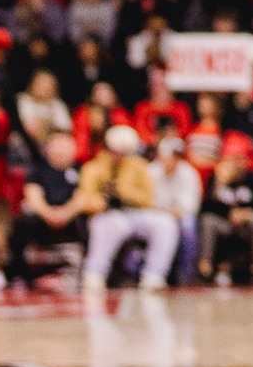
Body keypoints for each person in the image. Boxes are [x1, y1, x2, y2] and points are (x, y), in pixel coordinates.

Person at [76, 125, 179, 292]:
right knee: (113, 224)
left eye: (125, 152)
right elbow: (86, 198)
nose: (121, 156)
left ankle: (154, 276)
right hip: (107, 215)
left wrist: (125, 193)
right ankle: (95, 273)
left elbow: (148, 198)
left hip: (135, 212)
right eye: (117, 151)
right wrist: (101, 202)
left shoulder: (139, 166)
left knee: (165, 223)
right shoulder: (93, 167)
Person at [10, 134, 87, 283]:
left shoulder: (81, 169)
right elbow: (32, 194)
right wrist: (48, 213)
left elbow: (83, 196)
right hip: (44, 217)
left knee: (90, 223)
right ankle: (19, 273)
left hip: (71, 219)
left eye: (64, 147)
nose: (61, 151)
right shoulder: (38, 169)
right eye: (57, 146)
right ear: (48, 149)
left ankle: (89, 271)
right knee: (21, 224)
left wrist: (65, 213)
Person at [200, 152, 253, 285]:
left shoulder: (252, 179)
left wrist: (245, 213)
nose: (237, 165)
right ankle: (205, 266)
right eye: (233, 160)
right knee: (208, 221)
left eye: (241, 160)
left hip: (246, 225)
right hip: (224, 224)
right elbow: (206, 209)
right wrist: (220, 184)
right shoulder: (215, 179)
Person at [149, 136, 204, 285]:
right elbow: (147, 202)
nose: (166, 161)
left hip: (177, 216)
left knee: (187, 226)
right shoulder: (152, 171)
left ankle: (186, 274)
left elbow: (189, 208)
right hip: (156, 216)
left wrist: (166, 211)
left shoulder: (189, 174)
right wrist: (166, 212)